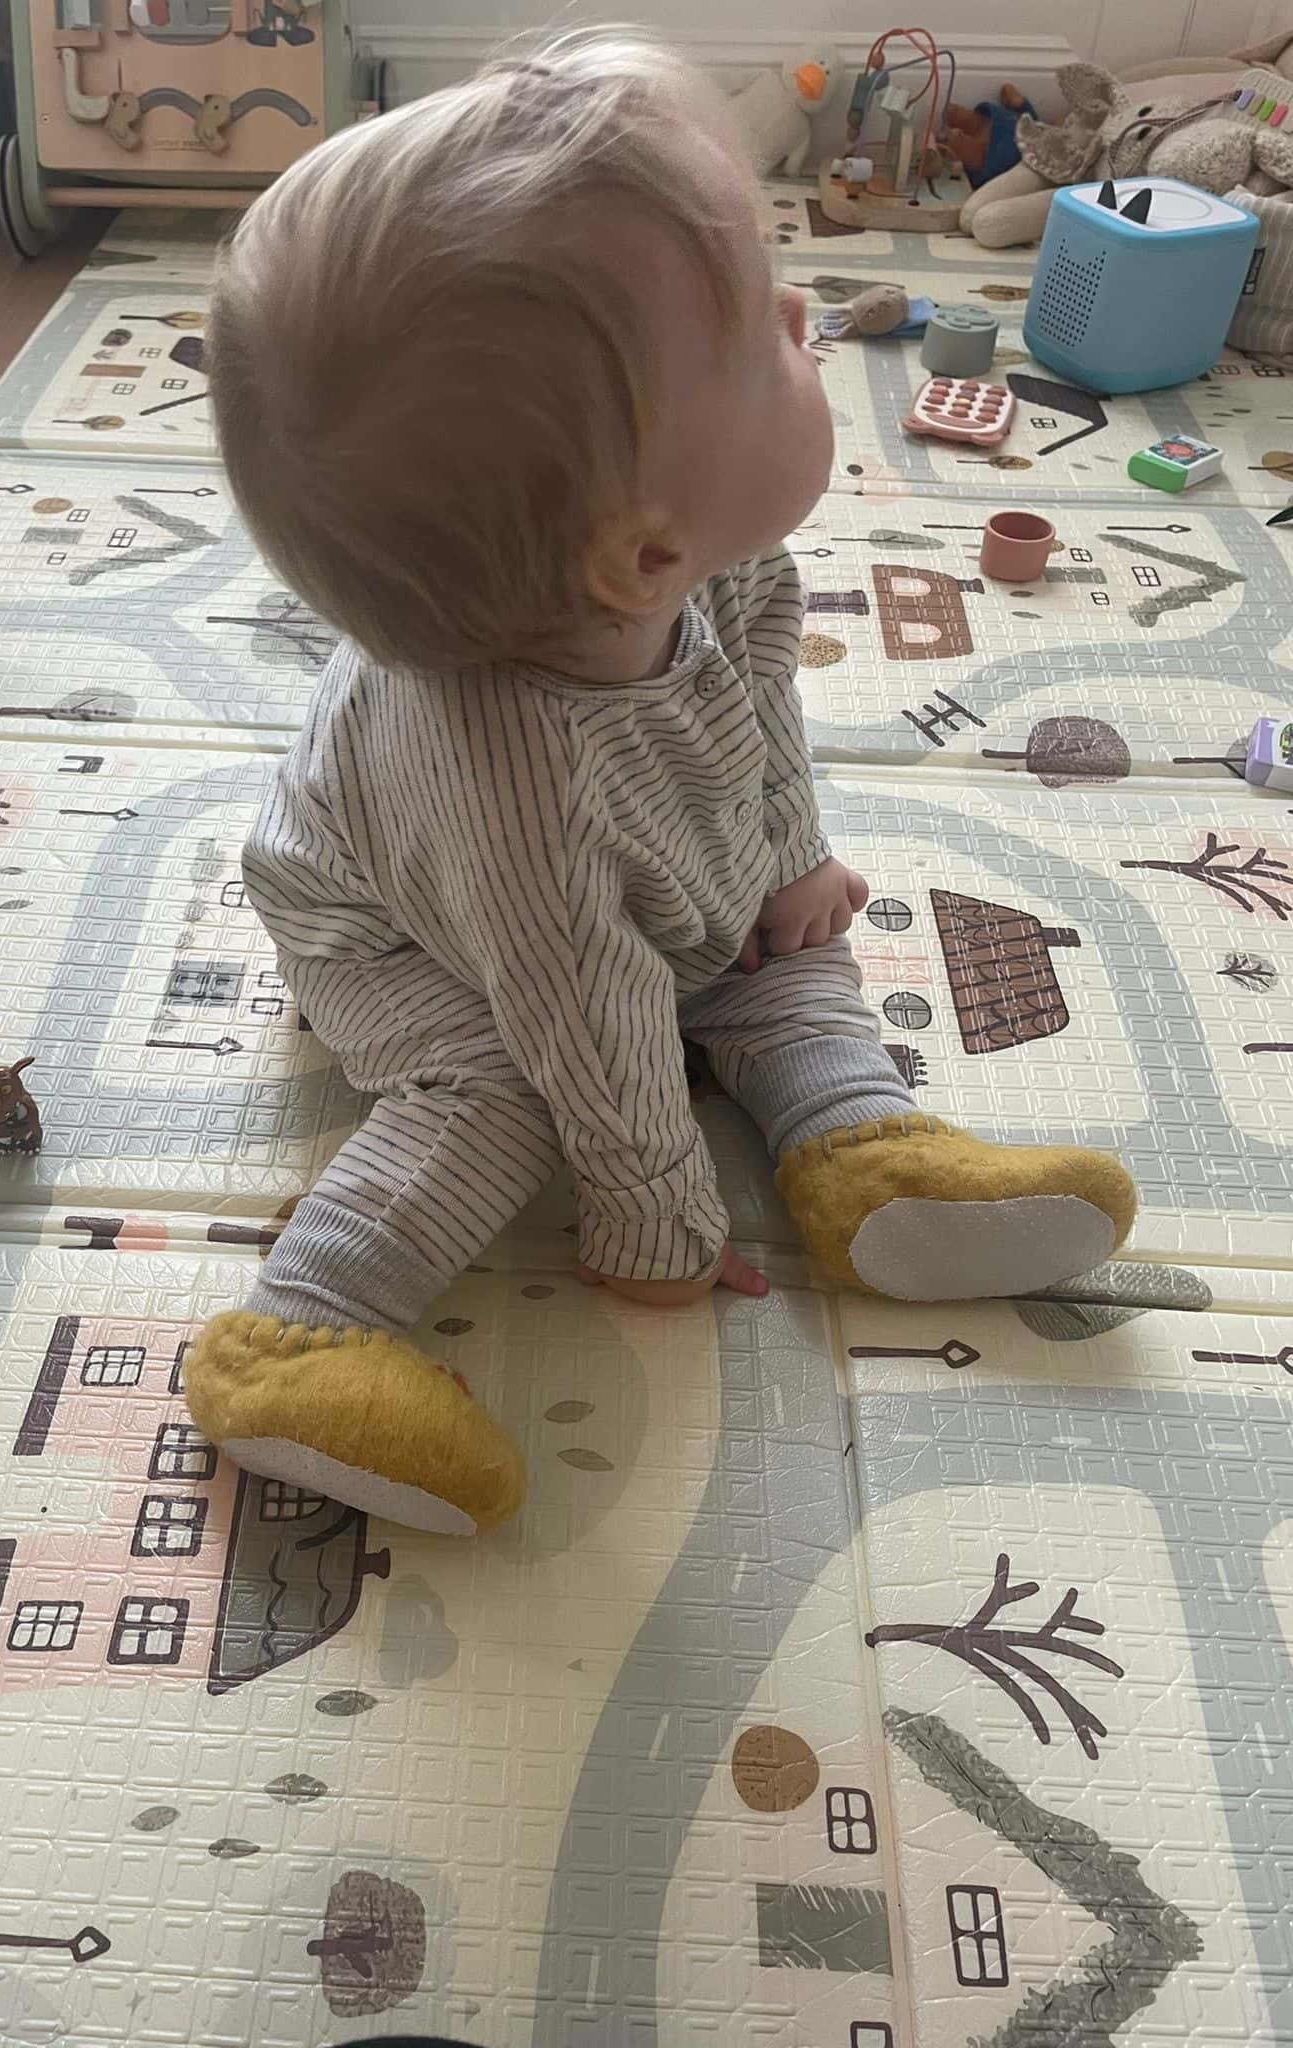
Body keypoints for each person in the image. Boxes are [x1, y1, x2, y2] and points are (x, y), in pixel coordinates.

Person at [187, 31, 1135, 1538]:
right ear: (639, 552)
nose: (805, 314)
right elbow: (585, 1015)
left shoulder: (722, 560)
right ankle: (303, 1330)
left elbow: (762, 716)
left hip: (634, 873)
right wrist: (656, 1223)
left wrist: (790, 863)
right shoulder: (512, 782)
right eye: (763, 334)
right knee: (509, 1087)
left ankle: (861, 1154)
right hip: (403, 932)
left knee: (775, 946)